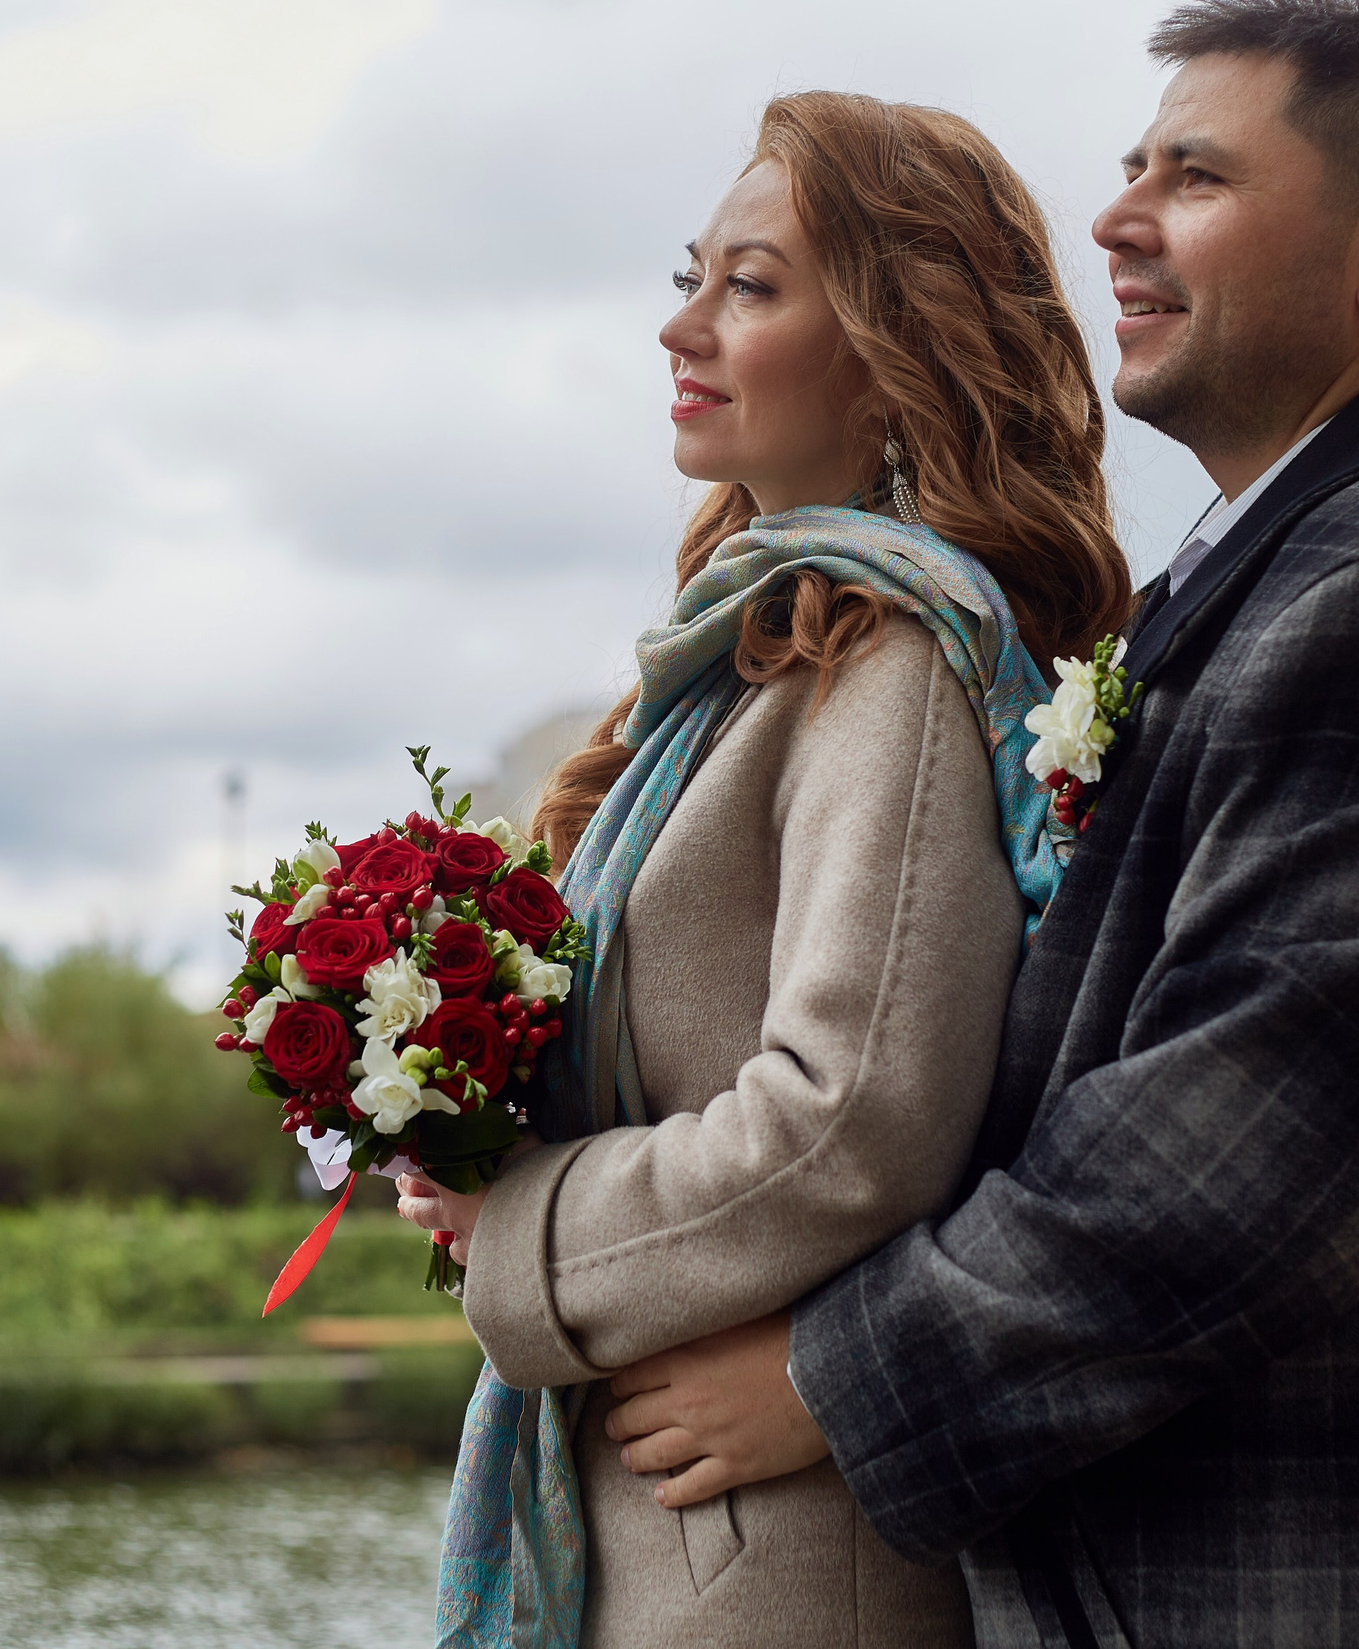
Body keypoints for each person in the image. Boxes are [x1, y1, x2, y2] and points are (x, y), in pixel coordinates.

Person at [601, 0, 1359, 1648]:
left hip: (1338, 1587)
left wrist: (828, 1375)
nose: (1115, 217)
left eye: (1196, 178)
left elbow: (1222, 1164)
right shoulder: (1279, 564)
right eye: (1132, 166)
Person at [394, 92, 1129, 1647]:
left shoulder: (900, 675)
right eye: (692, 272)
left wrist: (520, 1227)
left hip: (775, 1563)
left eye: (751, 286)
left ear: (895, 343)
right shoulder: (758, 658)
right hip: (676, 1514)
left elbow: (849, 1120)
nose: (682, 325)